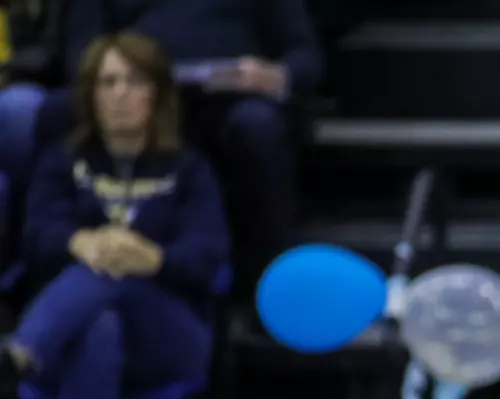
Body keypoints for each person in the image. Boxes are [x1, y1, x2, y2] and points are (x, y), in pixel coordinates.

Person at [0, 31, 228, 399]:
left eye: (134, 81)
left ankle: (16, 357)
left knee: (111, 269)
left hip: (169, 335)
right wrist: (81, 241)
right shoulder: (62, 163)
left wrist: (150, 258)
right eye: (108, 82)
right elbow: (35, 238)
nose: (120, 94)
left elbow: (207, 257)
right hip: (76, 338)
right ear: (90, 95)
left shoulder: (189, 170)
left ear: (157, 95)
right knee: (97, 323)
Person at [47, 0, 323, 288]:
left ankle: (274, 287)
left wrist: (277, 76)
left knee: (257, 125)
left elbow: (307, 56)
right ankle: (60, 271)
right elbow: (80, 50)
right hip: (132, 89)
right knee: (57, 111)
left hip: (227, 102)